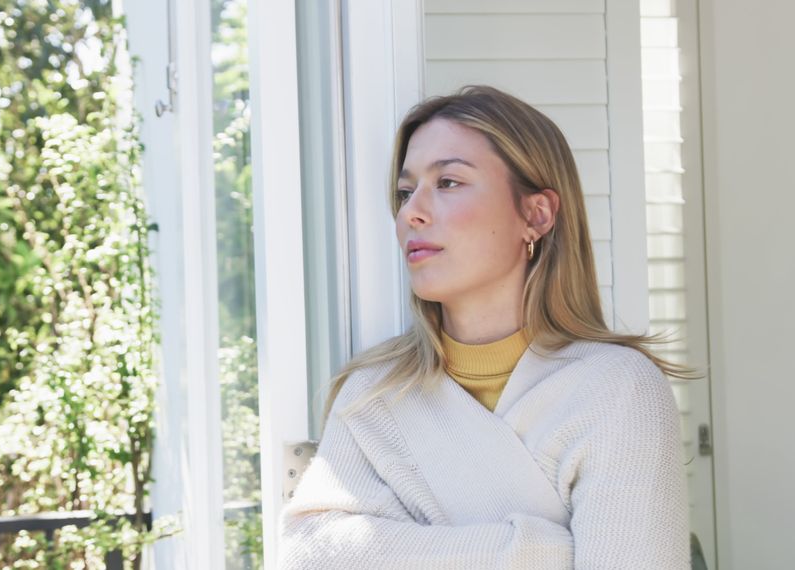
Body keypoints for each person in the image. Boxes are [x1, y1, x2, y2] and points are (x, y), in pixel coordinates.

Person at [278, 85, 692, 569]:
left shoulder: (617, 390)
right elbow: (310, 555)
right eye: (405, 192)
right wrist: (539, 554)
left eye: (448, 182)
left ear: (535, 214)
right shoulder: (374, 392)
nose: (411, 212)